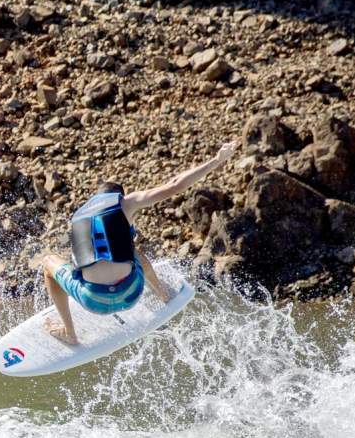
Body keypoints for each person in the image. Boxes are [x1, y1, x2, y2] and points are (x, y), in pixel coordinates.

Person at [36, 141, 238, 345]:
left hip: (93, 301)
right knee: (131, 250)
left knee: (48, 262)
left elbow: (77, 257)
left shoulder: (79, 218)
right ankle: (163, 294)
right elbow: (176, 185)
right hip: (132, 292)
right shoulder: (126, 203)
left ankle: (70, 333)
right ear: (118, 195)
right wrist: (216, 160)